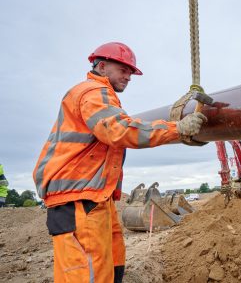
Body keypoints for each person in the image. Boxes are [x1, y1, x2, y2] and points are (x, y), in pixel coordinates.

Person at [32, 42, 207, 283]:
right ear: (102, 67)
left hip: (94, 198)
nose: (129, 77)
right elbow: (118, 130)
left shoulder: (104, 97)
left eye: (131, 72)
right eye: (123, 70)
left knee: (112, 264)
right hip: (78, 200)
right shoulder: (92, 92)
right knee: (86, 273)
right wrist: (176, 128)